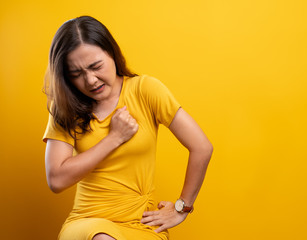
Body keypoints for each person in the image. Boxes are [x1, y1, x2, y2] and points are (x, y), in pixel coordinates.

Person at [43, 16, 213, 240]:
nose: (91, 80)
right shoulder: (65, 107)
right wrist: (114, 138)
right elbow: (56, 179)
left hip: (140, 224)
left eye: (96, 66)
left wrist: (183, 207)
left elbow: (202, 147)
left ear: (112, 53)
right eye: (77, 74)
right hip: (87, 222)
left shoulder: (146, 90)